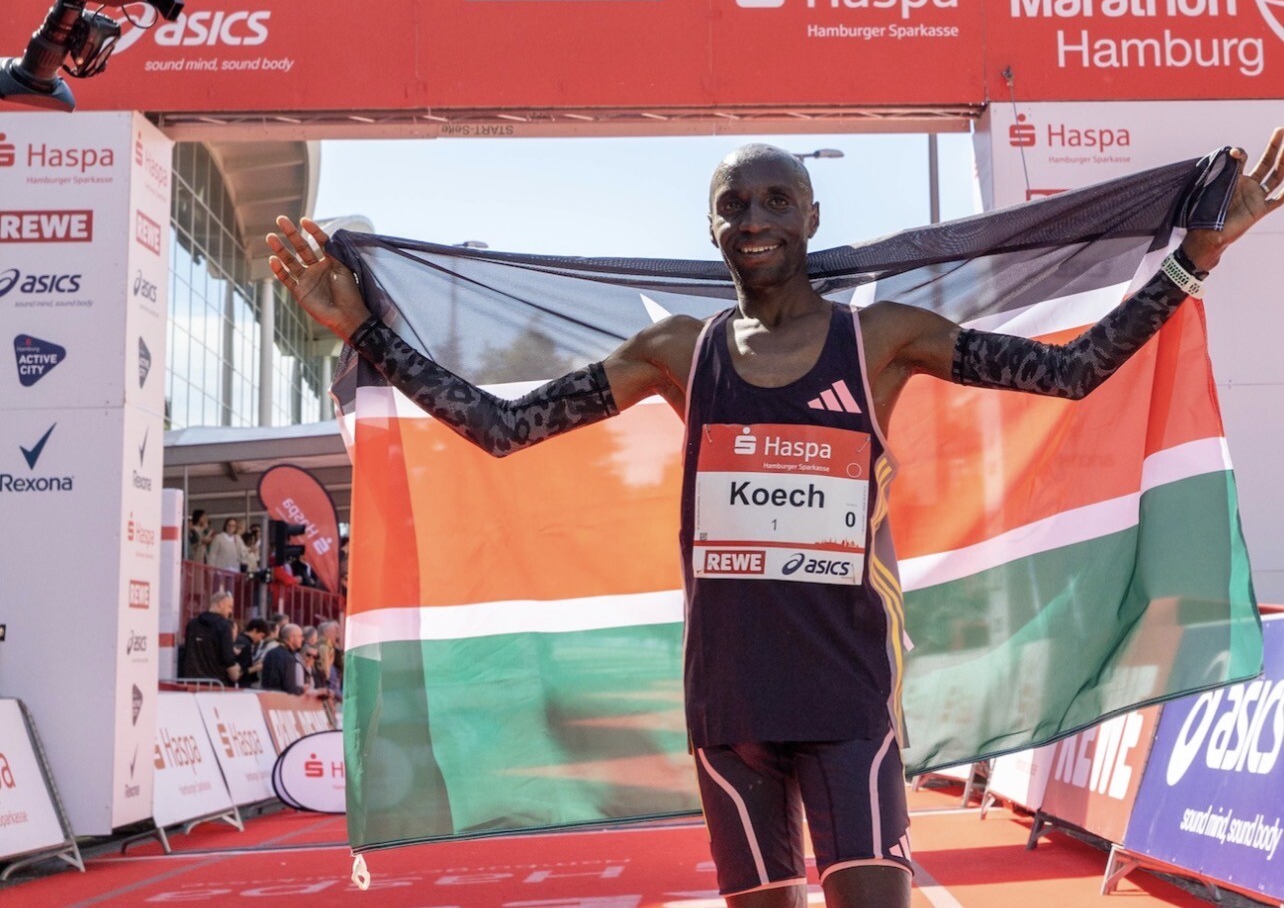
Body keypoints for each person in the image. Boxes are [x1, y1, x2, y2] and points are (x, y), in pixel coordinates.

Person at [268, 133, 1282, 908]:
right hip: (731, 704)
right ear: (711, 227)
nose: (754, 218)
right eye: (734, 203)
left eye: (775, 199)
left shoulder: (879, 339)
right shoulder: (678, 352)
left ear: (811, 215)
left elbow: (1068, 373)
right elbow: (502, 426)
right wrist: (364, 332)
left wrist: (1193, 259)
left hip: (847, 695)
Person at [182, 591, 242, 686]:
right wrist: (236, 670)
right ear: (221, 605)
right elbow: (228, 659)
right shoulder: (224, 626)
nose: (230, 612)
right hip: (215, 683)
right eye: (230, 607)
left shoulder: (192, 624)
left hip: (192, 682)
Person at [261, 623, 307, 694]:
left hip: (266, 696)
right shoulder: (288, 658)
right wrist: (302, 689)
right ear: (291, 638)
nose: (302, 639)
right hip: (281, 698)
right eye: (300, 636)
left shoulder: (270, 653)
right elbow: (289, 688)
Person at [234, 617, 270, 688]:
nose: (260, 640)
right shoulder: (245, 644)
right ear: (254, 630)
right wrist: (256, 668)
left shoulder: (240, 639)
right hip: (241, 685)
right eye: (261, 636)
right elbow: (240, 671)